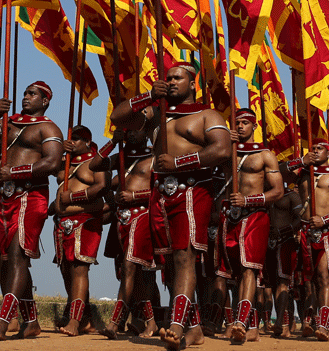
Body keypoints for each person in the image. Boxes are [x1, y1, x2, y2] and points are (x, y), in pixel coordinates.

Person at [110, 62, 231, 351]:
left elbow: (222, 149)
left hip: (193, 189)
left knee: (185, 258)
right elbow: (118, 118)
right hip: (160, 194)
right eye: (168, 78)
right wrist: (148, 95)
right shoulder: (155, 115)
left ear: (193, 83)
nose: (172, 82)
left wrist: (179, 162)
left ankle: (175, 325)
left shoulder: (207, 114)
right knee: (170, 263)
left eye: (178, 78)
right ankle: (195, 328)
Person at [0, 81, 63, 341]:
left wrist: (16, 171)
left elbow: (53, 162)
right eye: (25, 93)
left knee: (18, 256)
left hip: (31, 196)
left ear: (45, 101)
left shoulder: (48, 127)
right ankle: (31, 322)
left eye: (32, 94)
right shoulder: (7, 123)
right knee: (9, 261)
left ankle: (3, 319)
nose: (25, 97)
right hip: (4, 196)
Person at [217, 108, 284, 344]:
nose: (240, 126)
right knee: (234, 273)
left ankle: (240, 322)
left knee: (249, 268)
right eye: (237, 123)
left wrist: (249, 200)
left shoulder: (265, 154)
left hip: (255, 215)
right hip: (230, 217)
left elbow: (278, 191)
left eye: (245, 123)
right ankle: (252, 326)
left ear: (254, 126)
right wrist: (226, 142)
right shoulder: (227, 151)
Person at [91, 119, 159, 339]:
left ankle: (114, 322)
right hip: (122, 218)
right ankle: (151, 323)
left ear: (146, 133)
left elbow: (161, 192)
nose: (130, 134)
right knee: (133, 273)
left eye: (135, 130)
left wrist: (134, 196)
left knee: (130, 268)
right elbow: (95, 165)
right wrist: (113, 142)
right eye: (127, 131)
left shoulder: (154, 158)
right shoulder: (120, 156)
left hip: (142, 216)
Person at [283, 140, 329, 341]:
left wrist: (325, 219)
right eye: (312, 149)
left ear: (328, 153)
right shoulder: (302, 174)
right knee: (312, 281)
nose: (314, 151)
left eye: (319, 149)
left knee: (324, 277)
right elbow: (279, 174)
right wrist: (300, 161)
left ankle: (323, 324)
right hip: (306, 232)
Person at [53, 125, 107, 336]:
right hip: (61, 222)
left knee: (79, 269)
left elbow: (101, 188)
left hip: (85, 220)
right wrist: (60, 150)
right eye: (70, 139)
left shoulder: (96, 161)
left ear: (87, 141)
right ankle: (85, 318)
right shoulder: (65, 162)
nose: (72, 142)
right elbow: (51, 169)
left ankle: (75, 321)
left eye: (76, 139)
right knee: (66, 269)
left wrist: (73, 198)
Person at [265, 178, 302, 338]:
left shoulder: (291, 196)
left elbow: (300, 219)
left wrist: (283, 231)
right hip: (267, 243)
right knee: (272, 284)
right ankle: (283, 322)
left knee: (283, 282)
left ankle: (280, 322)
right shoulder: (265, 196)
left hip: (285, 242)